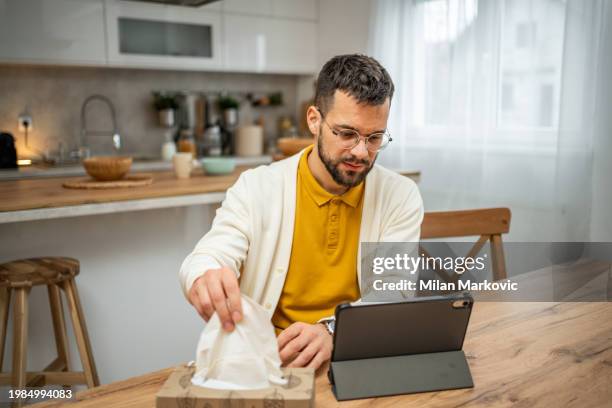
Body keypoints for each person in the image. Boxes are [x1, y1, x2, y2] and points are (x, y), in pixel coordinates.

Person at [179, 54, 423, 370]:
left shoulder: (400, 195)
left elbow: (395, 290)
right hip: (270, 365)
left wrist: (334, 330)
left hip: (354, 357)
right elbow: (208, 255)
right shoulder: (257, 187)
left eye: (375, 138)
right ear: (314, 120)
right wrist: (204, 276)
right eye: (347, 134)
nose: (361, 152)